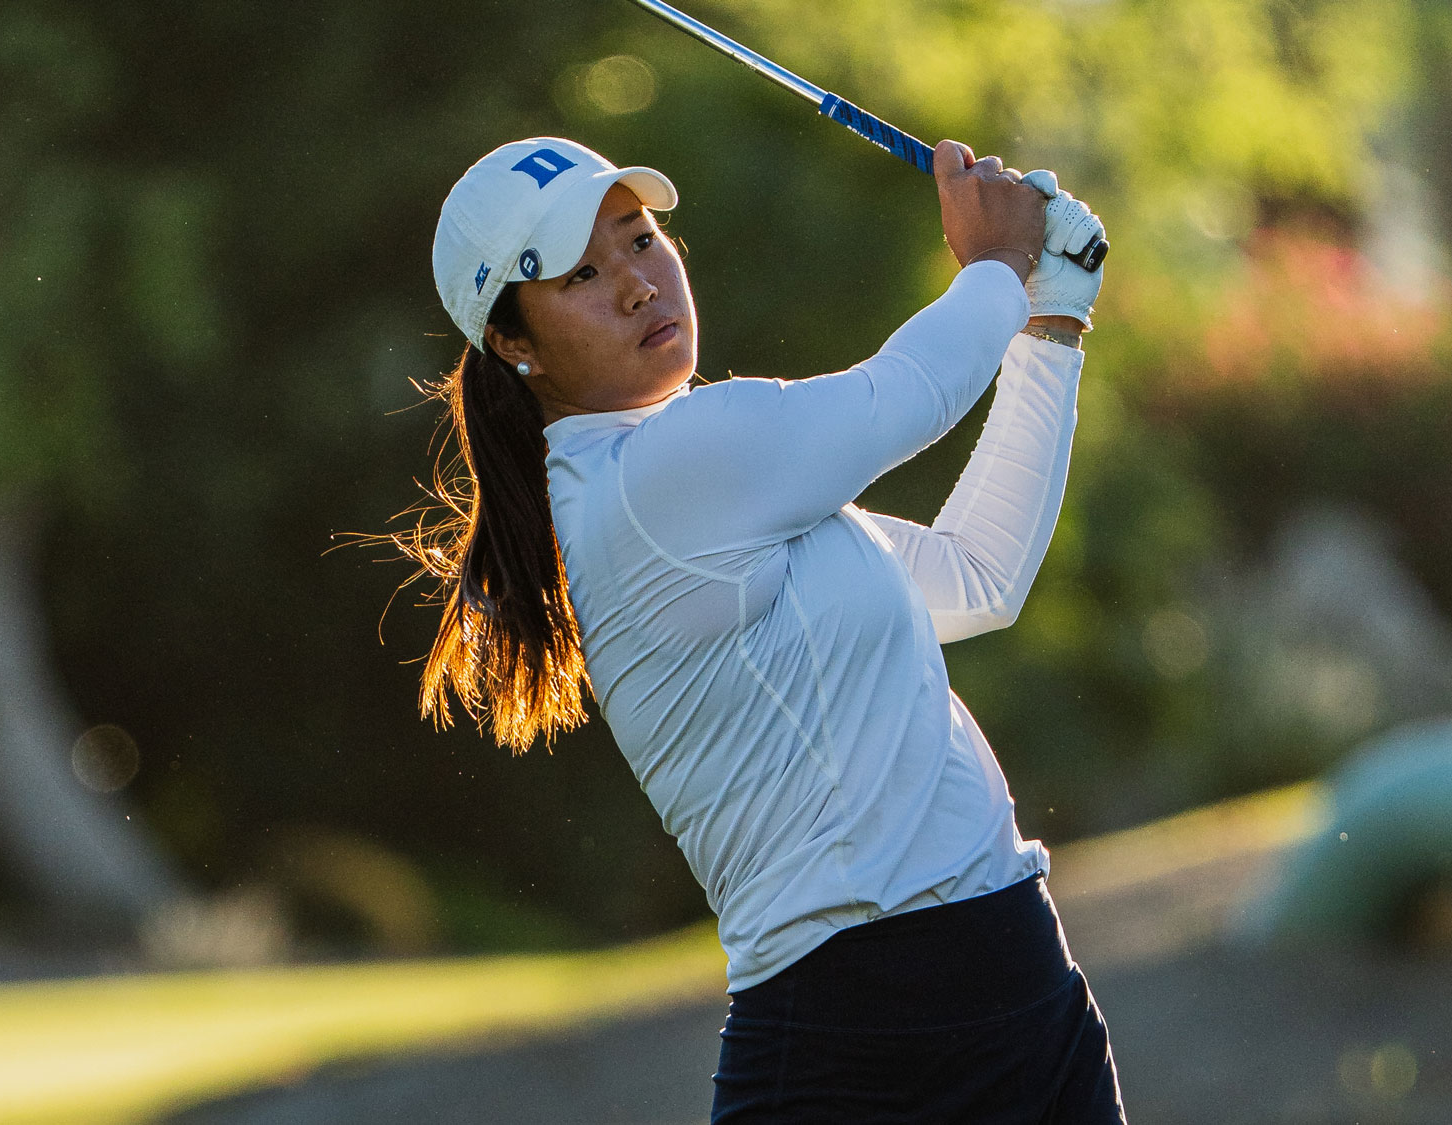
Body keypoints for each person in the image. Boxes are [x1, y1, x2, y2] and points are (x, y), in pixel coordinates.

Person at [403, 134, 1123, 1123]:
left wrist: (1050, 323)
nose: (637, 285)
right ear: (512, 343)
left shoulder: (698, 486)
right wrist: (998, 259)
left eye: (640, 239)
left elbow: (977, 577)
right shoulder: (657, 479)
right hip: (866, 1034)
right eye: (580, 276)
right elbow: (909, 392)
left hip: (1017, 982)